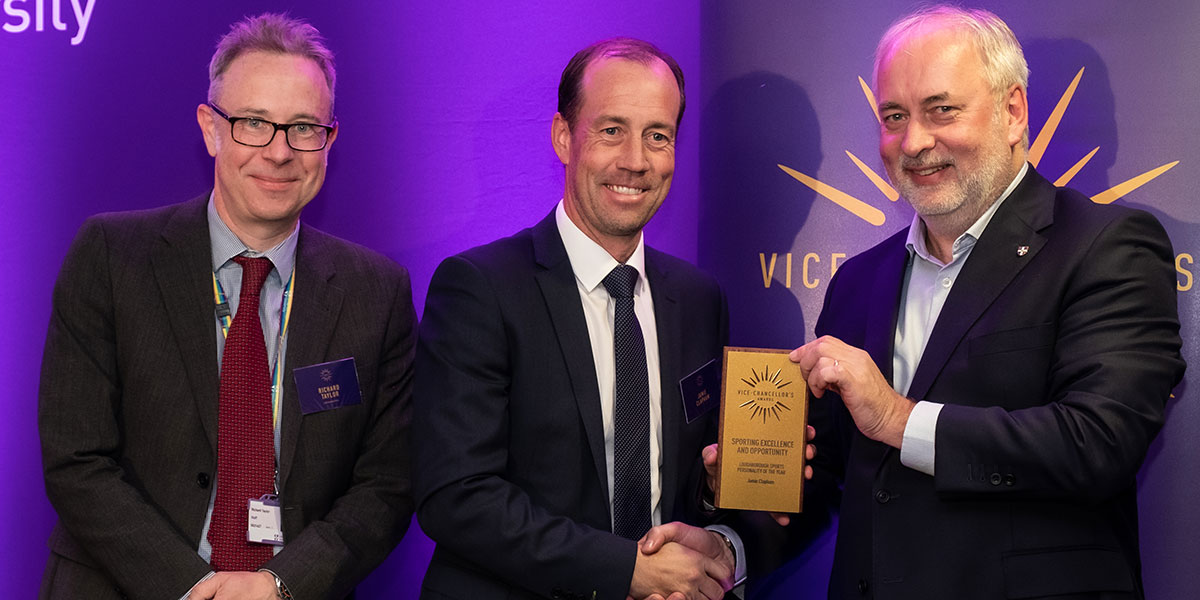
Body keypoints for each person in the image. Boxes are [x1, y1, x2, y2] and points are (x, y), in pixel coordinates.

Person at [788, 6, 1184, 598]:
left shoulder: (1107, 247)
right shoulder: (857, 282)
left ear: (1013, 112)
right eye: (894, 116)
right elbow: (827, 475)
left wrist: (897, 418)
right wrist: (737, 522)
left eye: (942, 110)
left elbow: (1098, 443)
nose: (914, 142)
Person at [38, 13, 415, 600]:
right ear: (210, 129)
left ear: (329, 140)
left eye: (302, 127)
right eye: (254, 124)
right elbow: (76, 458)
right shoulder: (113, 257)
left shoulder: (378, 291)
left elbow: (386, 484)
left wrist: (282, 583)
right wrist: (194, 586)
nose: (279, 151)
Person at [413, 38, 747, 600]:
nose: (636, 161)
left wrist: (715, 492)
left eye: (657, 136)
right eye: (611, 130)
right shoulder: (480, 288)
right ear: (564, 137)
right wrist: (625, 571)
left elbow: (683, 483)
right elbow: (457, 495)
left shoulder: (698, 299)